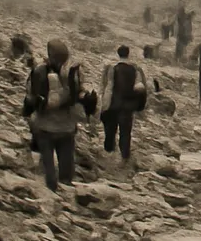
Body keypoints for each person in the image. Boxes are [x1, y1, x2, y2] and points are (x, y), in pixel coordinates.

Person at [22, 39, 98, 192]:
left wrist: (27, 113)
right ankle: (66, 195)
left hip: (44, 128)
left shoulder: (39, 71)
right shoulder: (73, 73)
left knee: (48, 167)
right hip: (67, 128)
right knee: (66, 169)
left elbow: (30, 97)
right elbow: (81, 94)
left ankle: (50, 193)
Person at [99, 45, 148, 161]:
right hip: (127, 107)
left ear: (118, 54)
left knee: (110, 131)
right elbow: (142, 88)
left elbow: (107, 87)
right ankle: (125, 157)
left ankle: (109, 156)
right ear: (128, 54)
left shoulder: (111, 68)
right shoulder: (135, 69)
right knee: (125, 133)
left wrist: (104, 105)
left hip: (113, 104)